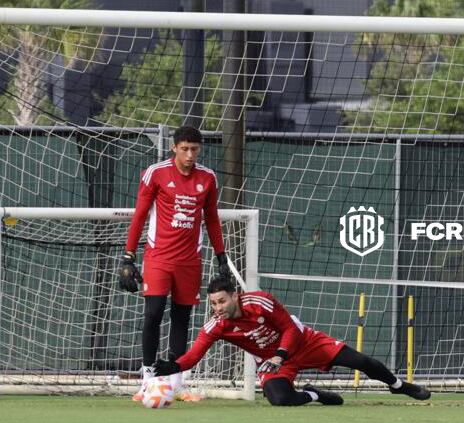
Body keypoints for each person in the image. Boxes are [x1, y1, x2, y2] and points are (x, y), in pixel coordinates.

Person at [153, 276, 431, 406]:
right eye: (214, 303)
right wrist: (172, 367)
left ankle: (398, 386)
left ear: (235, 295)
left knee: (361, 361)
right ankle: (315, 394)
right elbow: (194, 356)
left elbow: (289, 328)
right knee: (278, 398)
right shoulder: (216, 326)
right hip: (273, 362)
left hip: (302, 343)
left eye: (222, 301)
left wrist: (281, 355)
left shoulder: (260, 301)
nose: (218, 308)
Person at [119, 125, 231, 402]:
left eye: (194, 149)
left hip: (190, 260)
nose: (190, 154)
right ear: (174, 148)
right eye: (185, 149)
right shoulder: (156, 173)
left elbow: (213, 219)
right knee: (153, 313)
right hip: (158, 256)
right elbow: (140, 215)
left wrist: (221, 256)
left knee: (182, 318)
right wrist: (128, 255)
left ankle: (176, 384)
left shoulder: (208, 178)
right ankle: (147, 380)